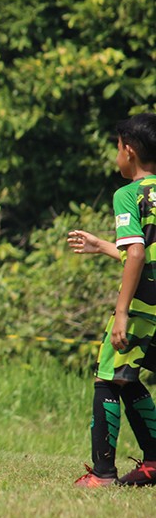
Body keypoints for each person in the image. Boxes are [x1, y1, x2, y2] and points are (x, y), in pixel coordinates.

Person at [68, 112, 156, 487]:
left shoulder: (128, 194)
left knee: (108, 378)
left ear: (130, 151)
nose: (116, 156)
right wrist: (104, 245)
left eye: (117, 148)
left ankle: (103, 474)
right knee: (129, 377)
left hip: (142, 306)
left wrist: (121, 313)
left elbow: (137, 254)